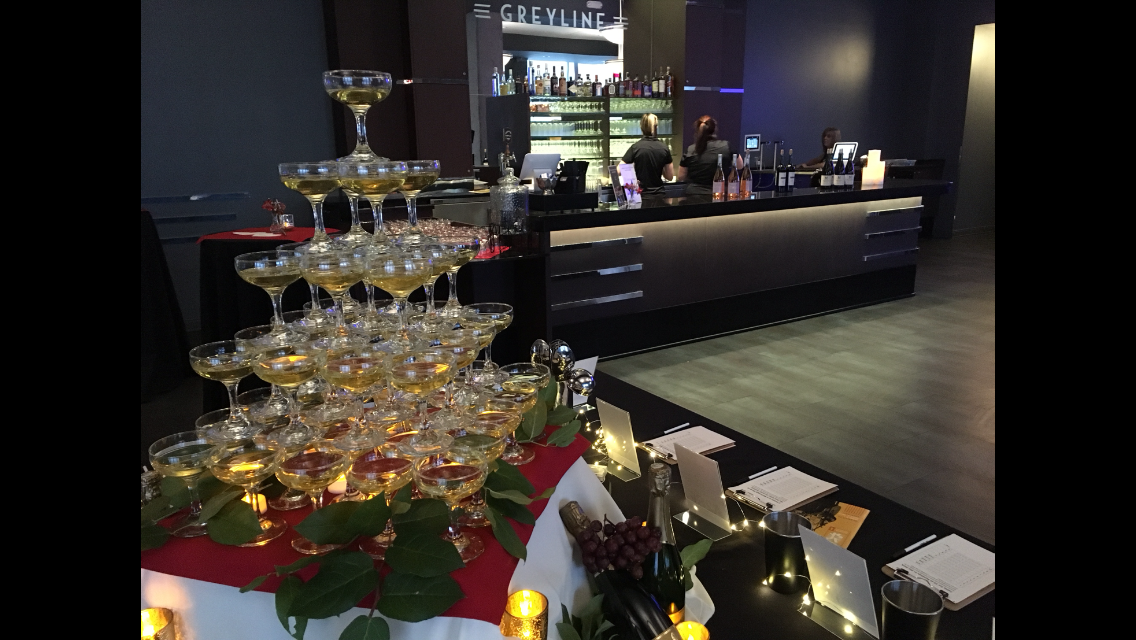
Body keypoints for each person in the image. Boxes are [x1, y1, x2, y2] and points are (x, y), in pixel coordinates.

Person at [679, 116, 739, 195]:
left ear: (697, 131)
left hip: (693, 195)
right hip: (719, 194)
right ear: (715, 129)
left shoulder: (690, 150)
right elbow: (740, 165)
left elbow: (681, 176)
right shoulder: (726, 146)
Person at [619, 114, 674, 196]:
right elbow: (670, 177)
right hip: (659, 194)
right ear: (656, 127)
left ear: (641, 128)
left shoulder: (636, 147)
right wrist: (660, 165)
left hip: (641, 194)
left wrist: (632, 173)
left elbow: (619, 170)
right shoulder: (664, 148)